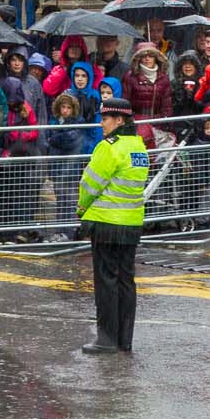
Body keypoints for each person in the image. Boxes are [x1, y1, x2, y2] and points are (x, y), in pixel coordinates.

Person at [77, 97, 148, 356]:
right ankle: (124, 340)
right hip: (131, 223)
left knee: (106, 282)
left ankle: (106, 339)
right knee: (126, 281)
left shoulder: (109, 147)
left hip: (106, 223)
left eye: (105, 118)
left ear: (119, 120)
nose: (101, 123)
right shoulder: (138, 145)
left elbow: (90, 184)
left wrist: (82, 209)